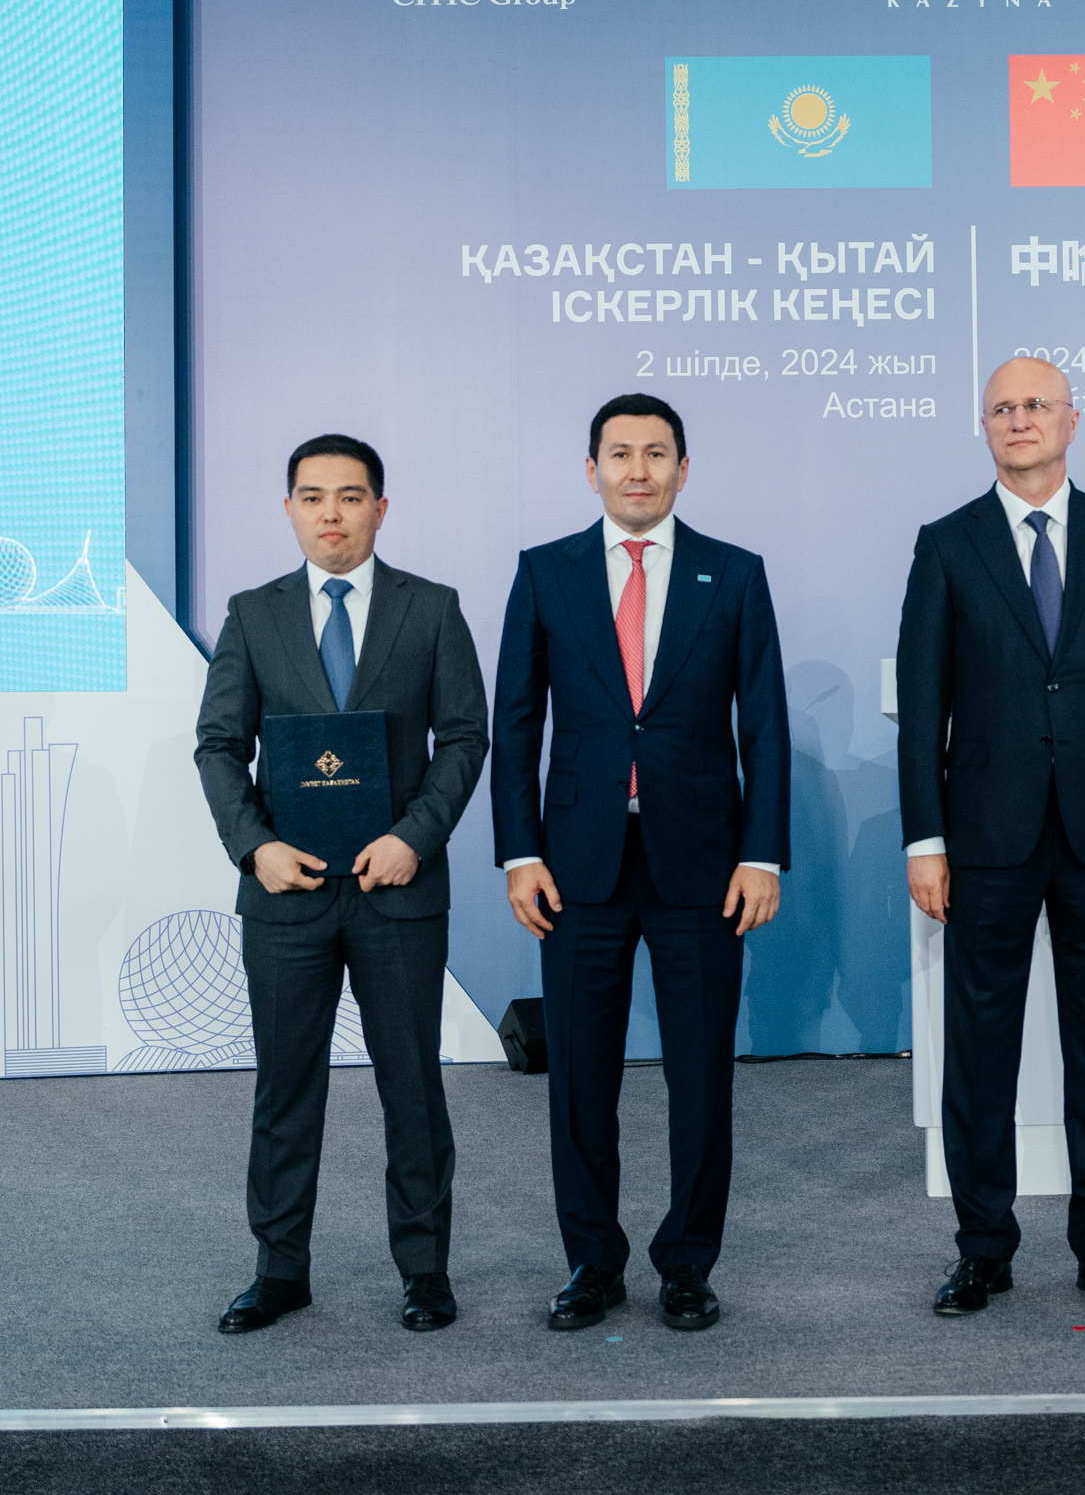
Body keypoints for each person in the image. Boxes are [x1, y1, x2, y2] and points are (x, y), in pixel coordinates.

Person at [492, 393, 790, 1334]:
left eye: (656, 453)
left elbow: (765, 726)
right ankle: (592, 1263)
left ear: (683, 470)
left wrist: (762, 854)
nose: (637, 470)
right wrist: (519, 853)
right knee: (581, 1077)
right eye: (619, 453)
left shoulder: (732, 574)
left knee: (700, 1078)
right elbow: (515, 726)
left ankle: (688, 1265)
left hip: (701, 864)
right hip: (575, 866)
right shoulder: (545, 572)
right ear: (591, 470)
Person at [896, 357, 1085, 1317]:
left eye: (1036, 405)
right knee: (980, 1050)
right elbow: (924, 705)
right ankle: (983, 1247)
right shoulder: (947, 543)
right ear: (985, 427)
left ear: (1072, 420)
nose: (1020, 420)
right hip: (984, 836)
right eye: (1002, 408)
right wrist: (925, 841)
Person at [194, 435, 489, 1336]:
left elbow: (465, 737)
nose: (332, 513)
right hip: (286, 895)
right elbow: (218, 745)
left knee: (413, 1088)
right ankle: (280, 1271)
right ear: (289, 509)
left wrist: (414, 837)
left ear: (380, 510)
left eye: (351, 497)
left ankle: (425, 1271)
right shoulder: (253, 614)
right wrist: (255, 848)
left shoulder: (431, 608)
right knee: (286, 1090)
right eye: (313, 496)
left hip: (399, 890)